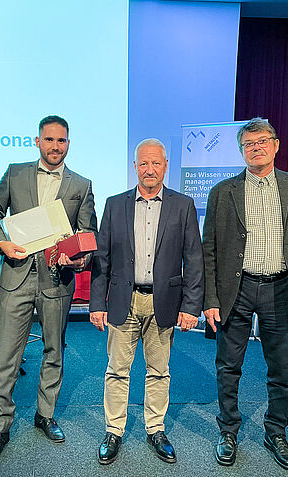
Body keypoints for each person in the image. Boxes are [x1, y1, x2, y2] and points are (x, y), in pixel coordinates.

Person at [202, 118, 288, 470]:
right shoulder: (222, 192)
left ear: (276, 145)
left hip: (281, 290)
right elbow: (208, 248)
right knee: (228, 366)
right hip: (235, 292)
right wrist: (210, 300)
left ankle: (276, 433)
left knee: (281, 369)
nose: (255, 147)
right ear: (241, 151)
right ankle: (228, 432)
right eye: (248, 144)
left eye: (262, 141)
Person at [0, 115, 98, 464]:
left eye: (61, 141)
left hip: (57, 280)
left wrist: (80, 260)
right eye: (49, 140)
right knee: (6, 355)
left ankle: (44, 415)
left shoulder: (82, 184)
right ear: (38, 142)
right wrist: (2, 244)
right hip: (16, 275)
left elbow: (87, 234)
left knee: (53, 351)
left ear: (68, 144)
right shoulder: (15, 172)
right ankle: (0, 426)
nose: (55, 146)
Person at [89, 138, 204, 465]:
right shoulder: (115, 204)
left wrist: (191, 306)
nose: (150, 169)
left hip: (164, 303)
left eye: (156, 163)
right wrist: (97, 303)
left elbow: (194, 260)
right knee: (116, 370)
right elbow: (102, 259)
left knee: (159, 371)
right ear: (135, 166)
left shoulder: (183, 205)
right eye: (143, 163)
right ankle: (114, 431)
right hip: (124, 302)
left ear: (165, 166)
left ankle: (156, 429)